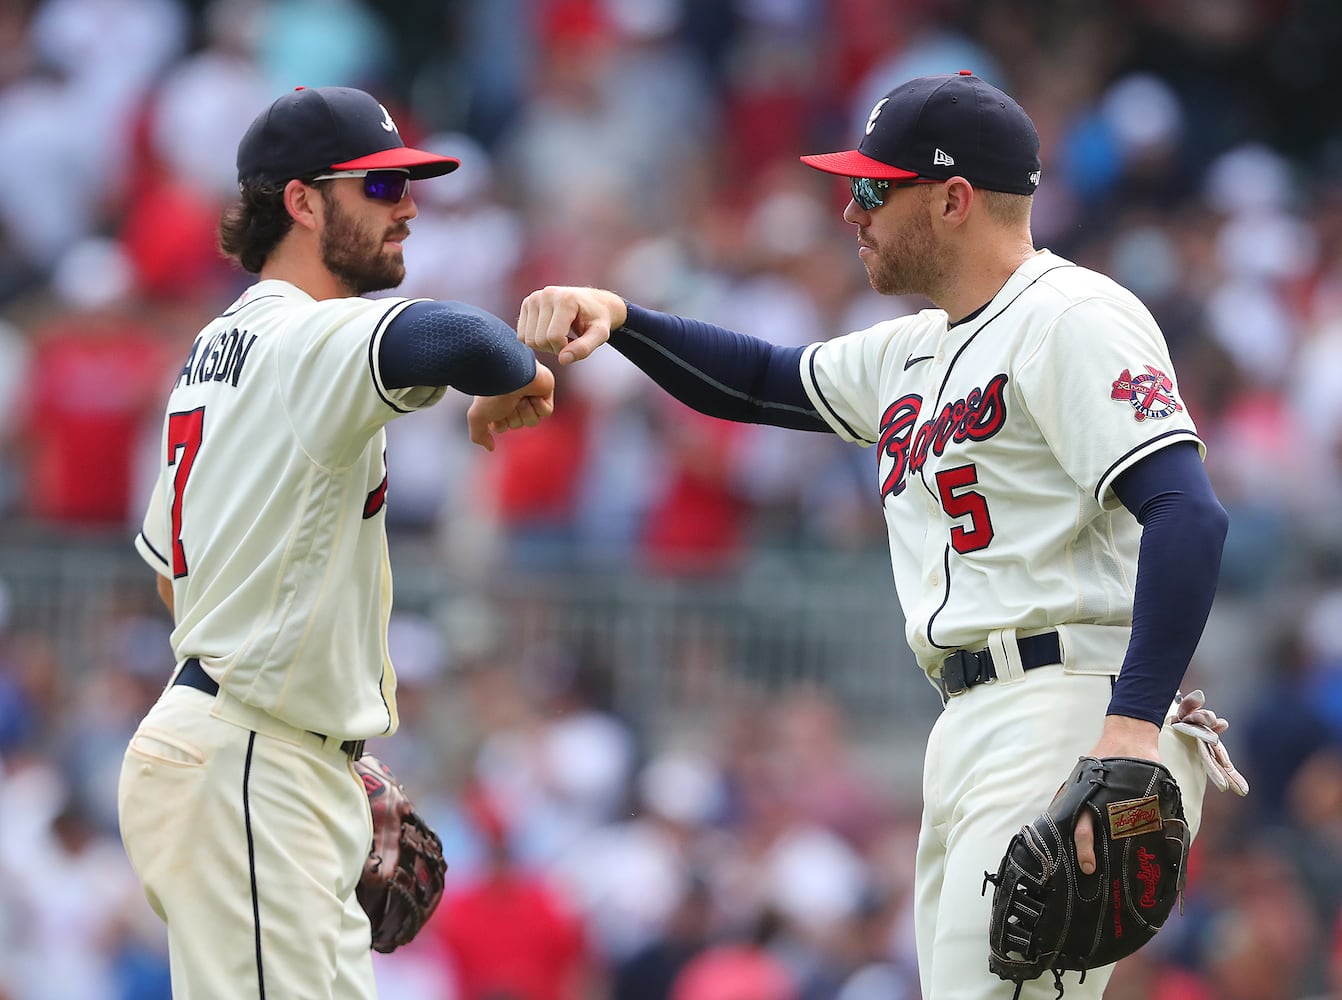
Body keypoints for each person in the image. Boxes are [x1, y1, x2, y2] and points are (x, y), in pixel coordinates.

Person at [515, 71, 1230, 999]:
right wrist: (620, 319)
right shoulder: (913, 348)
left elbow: (1188, 513)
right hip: (972, 718)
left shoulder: (1072, 318)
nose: (851, 212)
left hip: (1066, 703)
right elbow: (761, 380)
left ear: (953, 199)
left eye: (872, 190)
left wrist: (1129, 730)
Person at [117, 85, 554, 999]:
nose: (408, 207)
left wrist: (314, 739)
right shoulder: (305, 334)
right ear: (302, 202)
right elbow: (460, 335)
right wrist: (518, 374)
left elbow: (172, 584)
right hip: (248, 756)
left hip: (251, 747)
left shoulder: (216, 349)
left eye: (407, 186)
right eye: (380, 186)